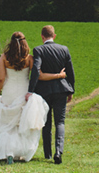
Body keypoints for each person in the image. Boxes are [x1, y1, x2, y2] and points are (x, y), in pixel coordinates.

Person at [0, 31, 67, 163]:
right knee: (20, 124)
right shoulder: (29, 58)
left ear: (10, 43)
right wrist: (59, 76)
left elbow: (1, 78)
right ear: (24, 43)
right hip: (24, 93)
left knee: (7, 124)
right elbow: (39, 75)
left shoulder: (4, 58)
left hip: (8, 93)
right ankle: (17, 153)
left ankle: (9, 152)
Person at [28, 25, 75, 164]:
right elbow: (71, 72)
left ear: (42, 36)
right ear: (54, 36)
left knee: (46, 123)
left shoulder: (38, 50)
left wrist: (31, 90)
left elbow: (36, 70)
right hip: (61, 89)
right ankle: (58, 152)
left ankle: (47, 153)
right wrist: (71, 90)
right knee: (60, 122)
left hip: (44, 91)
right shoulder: (64, 49)